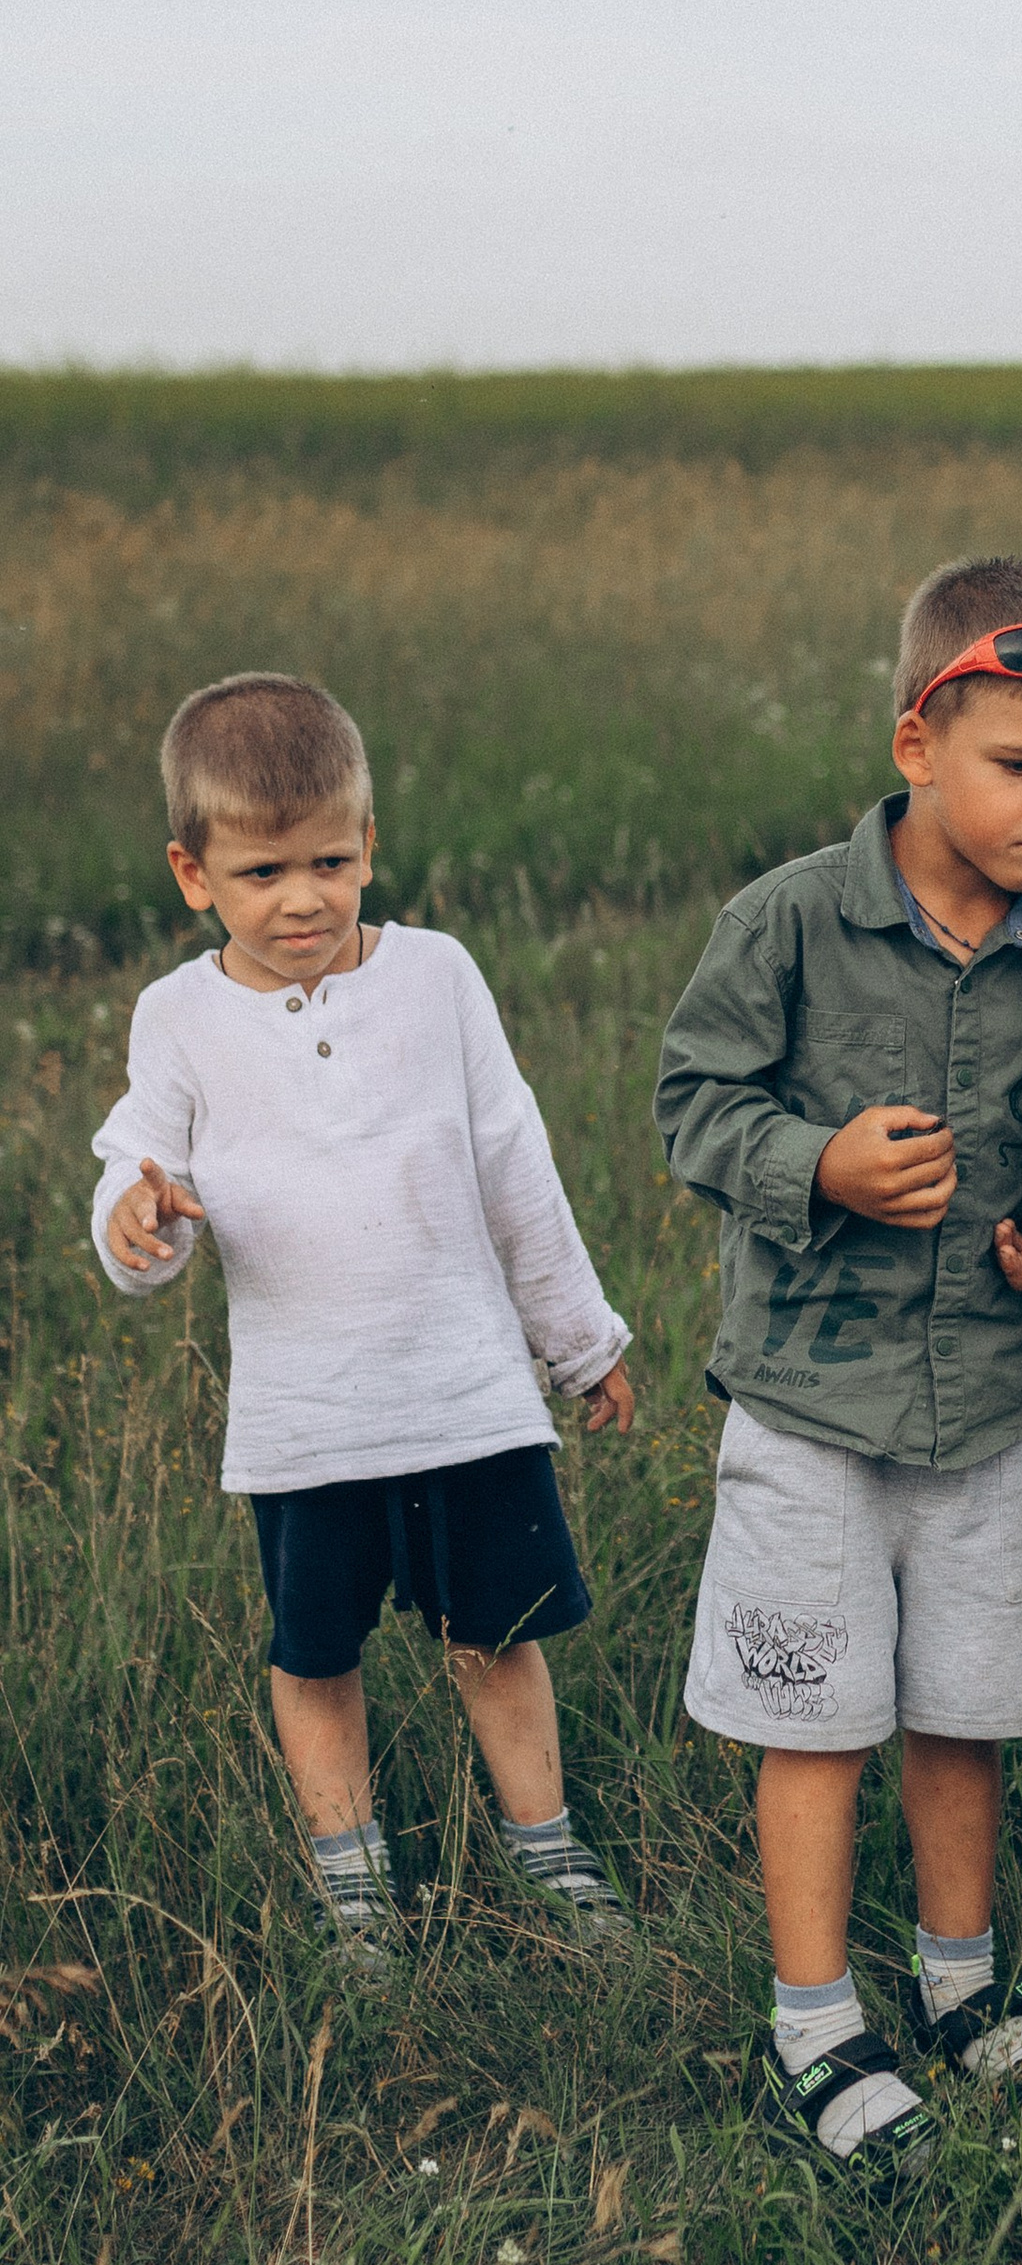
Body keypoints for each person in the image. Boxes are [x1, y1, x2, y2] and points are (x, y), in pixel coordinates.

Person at [656, 554, 1022, 2186]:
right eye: (1021, 763)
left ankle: (960, 1986)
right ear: (916, 745)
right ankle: (812, 2021)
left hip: (994, 1411)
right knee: (818, 1721)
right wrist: (821, 1164)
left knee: (966, 1708)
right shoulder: (793, 919)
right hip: (813, 1412)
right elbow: (691, 1104)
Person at [92, 672, 637, 1967]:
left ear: (370, 844)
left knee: (496, 1638)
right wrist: (139, 1217)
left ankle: (549, 1850)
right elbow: (137, 1166)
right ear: (193, 873)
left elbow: (515, 1164)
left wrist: (581, 1342)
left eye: (331, 862)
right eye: (263, 870)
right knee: (315, 1658)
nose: (303, 899)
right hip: (308, 1423)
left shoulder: (437, 977)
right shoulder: (179, 1019)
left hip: (466, 1398)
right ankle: (356, 1895)